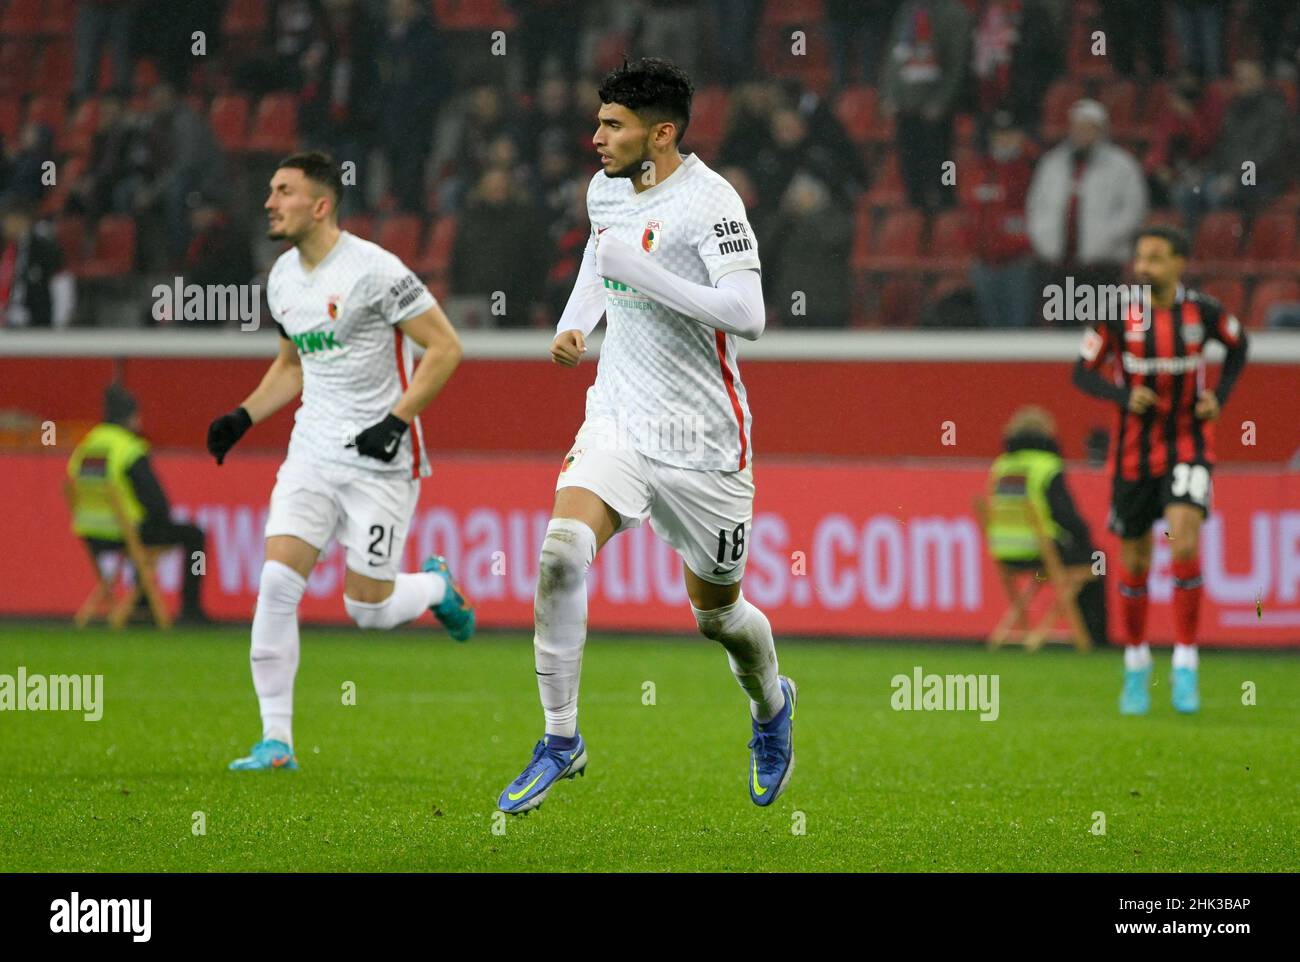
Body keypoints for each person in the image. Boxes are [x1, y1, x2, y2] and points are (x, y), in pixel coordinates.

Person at [496, 58, 795, 815]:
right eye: (599, 121)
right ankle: (561, 738)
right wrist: (577, 321)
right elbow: (606, 253)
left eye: (613, 125)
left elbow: (749, 315)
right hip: (620, 419)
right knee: (562, 551)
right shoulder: (605, 189)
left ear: (660, 135)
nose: (596, 136)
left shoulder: (713, 201)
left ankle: (771, 709)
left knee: (718, 618)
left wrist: (645, 272)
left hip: (703, 441)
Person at [205, 152, 474, 772]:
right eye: (270, 190)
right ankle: (277, 743)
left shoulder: (375, 271)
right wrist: (242, 416)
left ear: (320, 205)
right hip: (311, 453)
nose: (270, 202)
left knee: (367, 609)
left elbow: (445, 347)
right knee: (275, 583)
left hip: (380, 461)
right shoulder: (281, 277)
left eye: (284, 191)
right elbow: (294, 364)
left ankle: (436, 586)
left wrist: (395, 421)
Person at [1072, 226, 1249, 715]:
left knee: (1185, 540)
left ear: (1178, 263)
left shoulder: (1204, 312)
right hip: (1132, 453)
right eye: (1140, 258)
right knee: (1133, 560)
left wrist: (1220, 398)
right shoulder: (1115, 313)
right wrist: (1124, 395)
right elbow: (1080, 372)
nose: (1144, 267)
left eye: (1154, 258)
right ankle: (1135, 663)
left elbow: (1240, 346)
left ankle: (1186, 662)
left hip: (1189, 443)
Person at [68, 384, 213, 624]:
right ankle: (191, 608)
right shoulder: (128, 449)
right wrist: (162, 518)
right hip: (125, 532)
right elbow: (156, 503)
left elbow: (74, 481)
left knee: (142, 532)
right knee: (193, 535)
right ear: (132, 417)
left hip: (92, 533)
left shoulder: (87, 446)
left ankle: (142, 603)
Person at [985, 406, 1107, 647]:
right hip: (1042, 550)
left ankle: (1028, 631)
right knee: (1097, 560)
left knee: (1080, 561)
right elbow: (1064, 514)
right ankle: (1094, 637)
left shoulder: (1002, 466)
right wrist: (1084, 538)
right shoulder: (1047, 465)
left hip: (1005, 553)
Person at [1027, 99, 1147, 323]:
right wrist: (1044, 241)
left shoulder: (1122, 166)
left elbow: (1133, 211)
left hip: (1102, 265)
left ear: (1101, 130)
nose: (1081, 134)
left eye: (1088, 128)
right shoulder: (1052, 163)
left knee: (1101, 323)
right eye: (1077, 127)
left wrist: (1105, 239)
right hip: (1059, 263)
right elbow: (1036, 206)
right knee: (1064, 323)